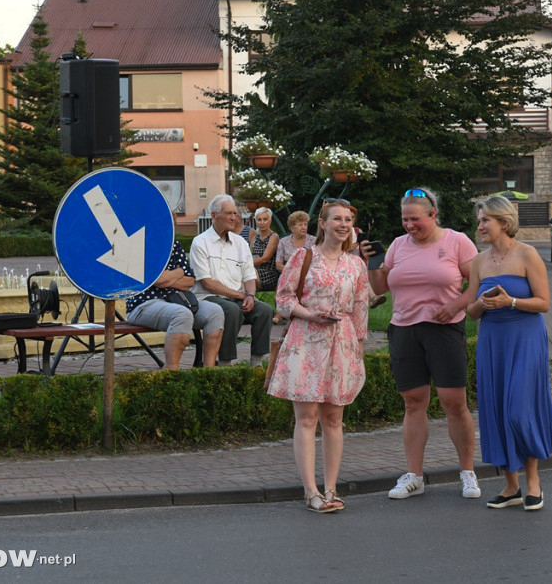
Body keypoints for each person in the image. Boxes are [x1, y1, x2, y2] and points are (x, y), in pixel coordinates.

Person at [366, 187, 481, 500]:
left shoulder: (456, 241)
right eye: (405, 220)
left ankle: (467, 472)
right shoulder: (398, 245)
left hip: (444, 330)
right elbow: (381, 287)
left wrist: (456, 306)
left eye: (415, 219)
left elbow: (479, 283)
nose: (409, 225)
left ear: (433, 215)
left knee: (453, 403)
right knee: (413, 402)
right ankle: (414, 475)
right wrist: (372, 262)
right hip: (404, 329)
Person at [267, 198, 370, 513]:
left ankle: (331, 488)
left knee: (334, 418)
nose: (343, 225)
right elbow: (283, 299)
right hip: (306, 343)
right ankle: (310, 491)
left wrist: (358, 349)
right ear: (322, 224)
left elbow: (360, 309)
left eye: (348, 220)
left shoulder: (356, 264)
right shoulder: (303, 257)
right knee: (308, 417)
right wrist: (310, 314)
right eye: (336, 219)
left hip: (342, 345)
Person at [465, 195, 552, 511]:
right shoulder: (478, 261)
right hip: (493, 340)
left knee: (520, 409)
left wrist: (511, 302)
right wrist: (480, 304)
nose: (479, 227)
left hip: (525, 338)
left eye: (484, 221)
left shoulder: (527, 254)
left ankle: (533, 482)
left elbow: (544, 303)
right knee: (498, 410)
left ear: (503, 222)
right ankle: (511, 485)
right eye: (479, 221)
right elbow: (471, 310)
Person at [190, 195, 275, 367]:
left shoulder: (240, 243)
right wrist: (242, 295)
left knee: (264, 310)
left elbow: (249, 275)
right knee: (231, 310)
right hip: (208, 298)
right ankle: (226, 363)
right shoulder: (200, 242)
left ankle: (256, 364)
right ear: (214, 215)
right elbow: (207, 283)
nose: (233, 218)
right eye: (228, 213)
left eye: (235, 214)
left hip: (238, 297)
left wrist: (250, 295)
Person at [126, 240, 225, 370]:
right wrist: (178, 273)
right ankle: (172, 373)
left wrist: (168, 277)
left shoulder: (173, 243)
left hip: (178, 300)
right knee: (182, 314)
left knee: (215, 312)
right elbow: (157, 280)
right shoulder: (138, 242)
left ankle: (208, 372)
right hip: (143, 303)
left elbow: (189, 281)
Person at [249, 207, 281, 292]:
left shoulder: (274, 236)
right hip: (254, 270)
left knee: (246, 273)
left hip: (269, 273)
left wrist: (246, 264)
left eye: (265, 219)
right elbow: (249, 256)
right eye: (259, 220)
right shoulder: (254, 237)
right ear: (255, 221)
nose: (262, 222)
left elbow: (265, 259)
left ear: (270, 221)